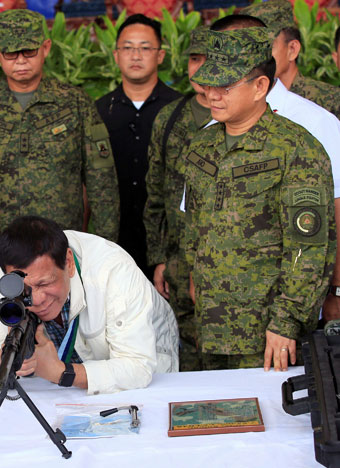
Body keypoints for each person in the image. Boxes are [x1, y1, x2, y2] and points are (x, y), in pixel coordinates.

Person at [0, 9, 120, 359]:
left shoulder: (75, 104)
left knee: (70, 357)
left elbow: (103, 187)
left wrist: (102, 262)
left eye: (29, 51)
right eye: (11, 54)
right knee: (5, 357)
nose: (21, 61)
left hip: (60, 262)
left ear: (45, 48)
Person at [184, 27, 335, 372]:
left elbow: (308, 247)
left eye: (224, 87)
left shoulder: (296, 148)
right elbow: (194, 224)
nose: (212, 95)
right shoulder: (200, 145)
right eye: (208, 85)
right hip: (208, 323)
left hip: (266, 333)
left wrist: (286, 322)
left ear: (260, 87)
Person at [211, 14, 340, 324]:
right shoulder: (209, 131)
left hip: (292, 307)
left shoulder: (316, 122)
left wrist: (337, 292)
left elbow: (337, 211)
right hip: (224, 310)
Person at [0, 216, 178, 395]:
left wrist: (61, 372)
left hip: (149, 344)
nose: (38, 299)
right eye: (24, 290)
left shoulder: (114, 270)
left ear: (68, 262)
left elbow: (138, 368)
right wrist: (5, 361)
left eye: (45, 283)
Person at [143, 27, 211, 371]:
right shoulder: (169, 118)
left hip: (229, 262)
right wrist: (159, 258)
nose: (200, 69)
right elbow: (155, 196)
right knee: (182, 354)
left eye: (209, 60)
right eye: (195, 59)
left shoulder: (240, 115)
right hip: (179, 261)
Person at [96, 14, 181, 278]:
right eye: (128, 48)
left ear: (160, 55)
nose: (136, 56)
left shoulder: (180, 109)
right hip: (113, 241)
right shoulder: (98, 110)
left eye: (145, 48)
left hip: (168, 239)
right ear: (116, 54)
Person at [241, 0, 340, 120]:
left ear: (292, 49)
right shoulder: (241, 101)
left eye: (266, 47)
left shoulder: (330, 100)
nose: (254, 56)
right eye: (248, 48)